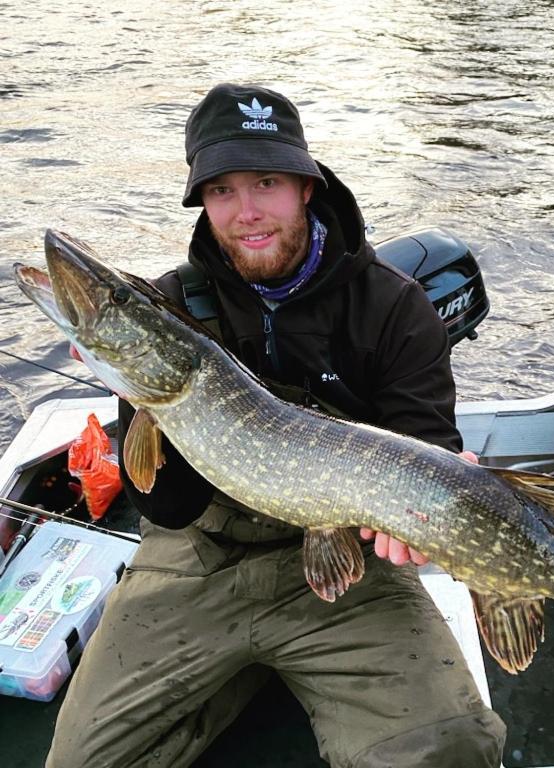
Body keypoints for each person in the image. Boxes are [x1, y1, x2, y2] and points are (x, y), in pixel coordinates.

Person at [46, 83, 506, 768]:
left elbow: (426, 450)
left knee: (452, 749)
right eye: (222, 190)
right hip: (199, 557)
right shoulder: (171, 305)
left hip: (348, 572)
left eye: (266, 182)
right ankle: (239, 673)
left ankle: (259, 675)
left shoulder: (393, 307)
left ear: (305, 186)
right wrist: (140, 397)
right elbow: (167, 508)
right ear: (203, 201)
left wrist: (423, 519)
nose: (248, 212)